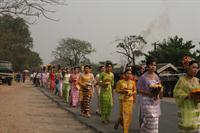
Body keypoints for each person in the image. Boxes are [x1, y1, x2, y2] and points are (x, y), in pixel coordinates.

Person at [137, 56, 162, 133]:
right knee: (149, 119)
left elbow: (159, 86)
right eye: (151, 65)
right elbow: (138, 90)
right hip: (146, 102)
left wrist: (158, 93)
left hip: (155, 101)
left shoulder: (156, 76)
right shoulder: (143, 77)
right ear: (147, 66)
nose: (153, 67)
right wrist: (149, 94)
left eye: (154, 65)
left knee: (155, 121)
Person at [173, 60, 200, 133]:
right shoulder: (182, 80)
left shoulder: (198, 80)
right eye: (193, 67)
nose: (195, 70)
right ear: (188, 68)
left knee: (196, 130)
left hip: (196, 110)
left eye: (197, 68)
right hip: (185, 110)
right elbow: (176, 93)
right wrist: (188, 95)